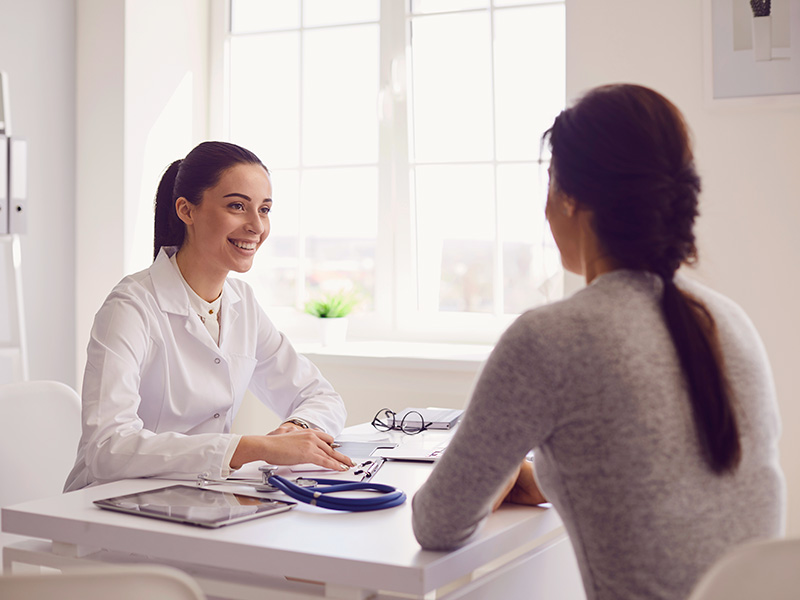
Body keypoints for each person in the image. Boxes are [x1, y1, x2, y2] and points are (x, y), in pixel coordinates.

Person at [411, 84, 785, 600]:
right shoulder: (728, 320)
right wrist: (550, 475)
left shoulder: (551, 338)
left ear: (570, 199)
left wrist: (500, 478)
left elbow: (436, 523)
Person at [65, 141, 353, 492]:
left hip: (198, 496)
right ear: (187, 210)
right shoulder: (131, 307)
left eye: (264, 210)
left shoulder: (241, 303)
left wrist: (296, 429)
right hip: (107, 507)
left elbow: (322, 396)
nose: (256, 226)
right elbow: (108, 450)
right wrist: (251, 447)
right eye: (237, 206)